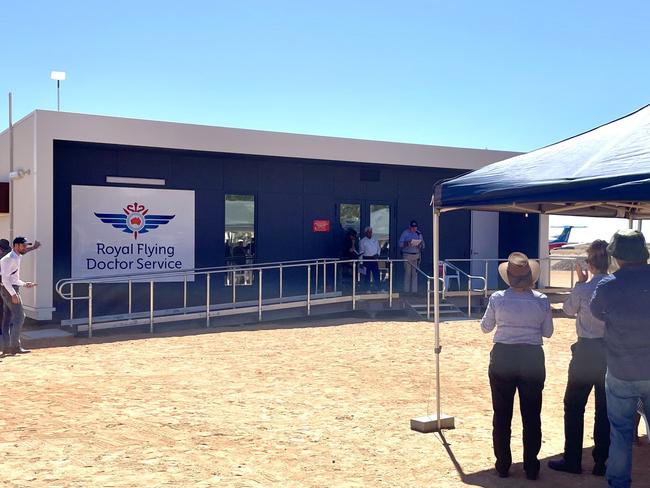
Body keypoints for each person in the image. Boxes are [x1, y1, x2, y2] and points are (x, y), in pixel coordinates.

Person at [480, 252, 553, 480]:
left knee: (501, 414)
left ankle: (503, 464)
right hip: (531, 355)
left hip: (503, 355)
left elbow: (485, 327)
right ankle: (531, 466)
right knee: (532, 413)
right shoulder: (541, 299)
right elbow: (548, 332)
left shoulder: (498, 298)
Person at [590, 230, 650, 488]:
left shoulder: (609, 284)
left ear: (617, 256)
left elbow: (596, 312)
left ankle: (618, 483)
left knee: (621, 433)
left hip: (620, 369)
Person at [548, 240, 610, 476]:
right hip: (609, 351)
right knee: (604, 408)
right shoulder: (614, 286)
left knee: (574, 406)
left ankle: (573, 458)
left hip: (586, 351)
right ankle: (600, 461)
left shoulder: (584, 289)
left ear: (589, 264)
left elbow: (567, 310)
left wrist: (580, 283)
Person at [0, 237, 38, 355]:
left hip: (9, 288)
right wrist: (13, 294)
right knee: (20, 316)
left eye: (26, 245)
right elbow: (5, 279)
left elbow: (13, 278)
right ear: (16, 246)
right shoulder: (8, 259)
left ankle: (7, 347)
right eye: (23, 246)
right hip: (8, 289)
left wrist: (24, 284)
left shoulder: (16, 257)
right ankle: (15, 347)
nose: (25, 248)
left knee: (7, 319)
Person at [399, 220, 424, 294]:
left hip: (416, 255)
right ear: (409, 227)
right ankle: (406, 291)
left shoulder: (419, 234)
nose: (414, 229)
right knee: (407, 273)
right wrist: (407, 243)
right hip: (407, 254)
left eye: (415, 227)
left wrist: (420, 245)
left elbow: (423, 245)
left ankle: (414, 291)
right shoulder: (405, 233)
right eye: (412, 227)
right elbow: (400, 244)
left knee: (415, 274)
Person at [359, 226, 381, 292]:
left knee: (376, 274)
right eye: (368, 232)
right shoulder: (362, 241)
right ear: (365, 233)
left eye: (370, 232)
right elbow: (361, 252)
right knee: (367, 275)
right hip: (366, 259)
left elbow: (379, 248)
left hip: (374, 259)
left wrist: (378, 254)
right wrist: (361, 262)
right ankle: (367, 289)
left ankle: (378, 288)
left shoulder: (375, 239)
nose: (370, 233)